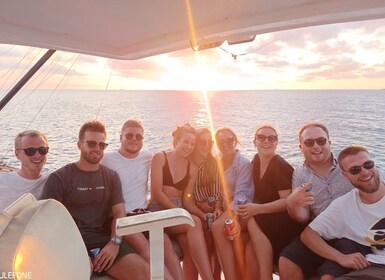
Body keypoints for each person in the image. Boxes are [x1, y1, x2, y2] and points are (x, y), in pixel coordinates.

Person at [41, 120, 149, 279]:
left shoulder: (111, 177)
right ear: (79, 144)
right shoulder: (59, 178)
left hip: (102, 239)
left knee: (145, 273)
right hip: (70, 241)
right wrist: (75, 254)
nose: (97, 149)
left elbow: (119, 213)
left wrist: (115, 243)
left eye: (101, 145)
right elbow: (47, 223)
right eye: (91, 144)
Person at [101, 119, 182, 280]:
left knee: (165, 242)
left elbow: (171, 160)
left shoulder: (148, 157)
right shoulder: (107, 159)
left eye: (139, 137)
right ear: (120, 137)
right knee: (144, 246)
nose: (134, 139)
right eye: (129, 135)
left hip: (144, 213)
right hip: (121, 217)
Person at [279, 122, 354, 279]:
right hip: (320, 233)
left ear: (329, 142)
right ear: (301, 147)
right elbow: (303, 217)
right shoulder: (300, 174)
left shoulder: (347, 165)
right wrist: (292, 203)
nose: (316, 146)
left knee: (329, 275)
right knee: (287, 261)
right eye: (309, 142)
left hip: (352, 233)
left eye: (321, 141)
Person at [301, 145, 385, 279]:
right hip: (377, 266)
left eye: (368, 164)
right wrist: (340, 257)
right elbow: (308, 235)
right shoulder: (344, 205)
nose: (364, 172)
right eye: (355, 170)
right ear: (345, 175)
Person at [147, 123, 214, 280]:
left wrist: (202, 214)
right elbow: (156, 192)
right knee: (194, 223)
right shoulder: (160, 158)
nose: (189, 146)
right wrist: (178, 213)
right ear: (176, 141)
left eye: (192, 144)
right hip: (158, 209)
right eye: (186, 142)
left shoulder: (192, 168)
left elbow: (187, 200)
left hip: (178, 213)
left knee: (189, 245)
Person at [237, 125, 304, 279]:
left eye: (271, 138)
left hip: (284, 220)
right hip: (266, 218)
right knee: (248, 249)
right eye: (261, 137)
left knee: (253, 220)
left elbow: (287, 201)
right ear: (254, 141)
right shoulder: (256, 161)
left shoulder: (279, 166)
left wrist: (257, 209)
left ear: (276, 142)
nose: (266, 141)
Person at [210, 127, 254, 280]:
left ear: (235, 141)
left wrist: (230, 215)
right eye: (221, 141)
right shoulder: (218, 161)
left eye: (229, 140)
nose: (226, 144)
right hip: (224, 206)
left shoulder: (244, 164)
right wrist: (217, 207)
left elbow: (242, 195)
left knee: (217, 226)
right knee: (209, 223)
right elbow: (218, 189)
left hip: (241, 207)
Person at [184, 127, 223, 280]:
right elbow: (186, 194)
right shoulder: (188, 164)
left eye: (210, 142)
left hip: (214, 206)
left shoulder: (213, 163)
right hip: (195, 208)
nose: (206, 145)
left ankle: (216, 275)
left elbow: (219, 190)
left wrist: (218, 207)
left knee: (218, 230)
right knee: (206, 229)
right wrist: (199, 205)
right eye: (202, 142)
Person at [0, 130, 49, 210]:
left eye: (42, 150)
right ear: (17, 154)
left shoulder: (53, 180)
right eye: (30, 151)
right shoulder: (2, 181)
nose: (37, 155)